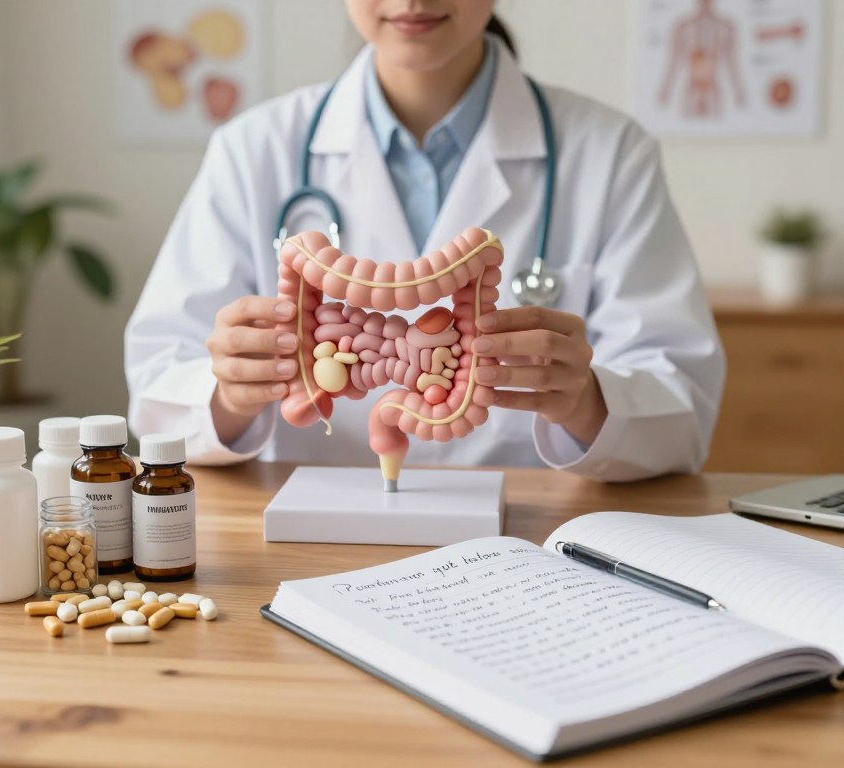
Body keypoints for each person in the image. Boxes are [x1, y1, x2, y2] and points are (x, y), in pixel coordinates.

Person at [125, 1, 725, 482]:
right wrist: (229, 392)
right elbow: (160, 381)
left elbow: (680, 404)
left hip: (530, 550)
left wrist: (588, 401)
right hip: (310, 542)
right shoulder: (253, 151)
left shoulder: (610, 154)